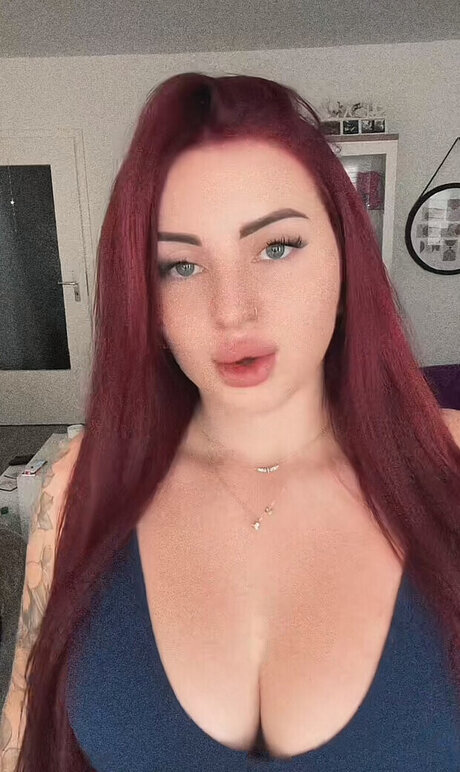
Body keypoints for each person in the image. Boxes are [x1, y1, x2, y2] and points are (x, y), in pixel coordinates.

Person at [2, 72, 460, 771]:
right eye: (181, 266)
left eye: (276, 247)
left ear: (347, 264)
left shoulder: (448, 464)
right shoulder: (78, 484)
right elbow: (26, 739)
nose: (232, 309)